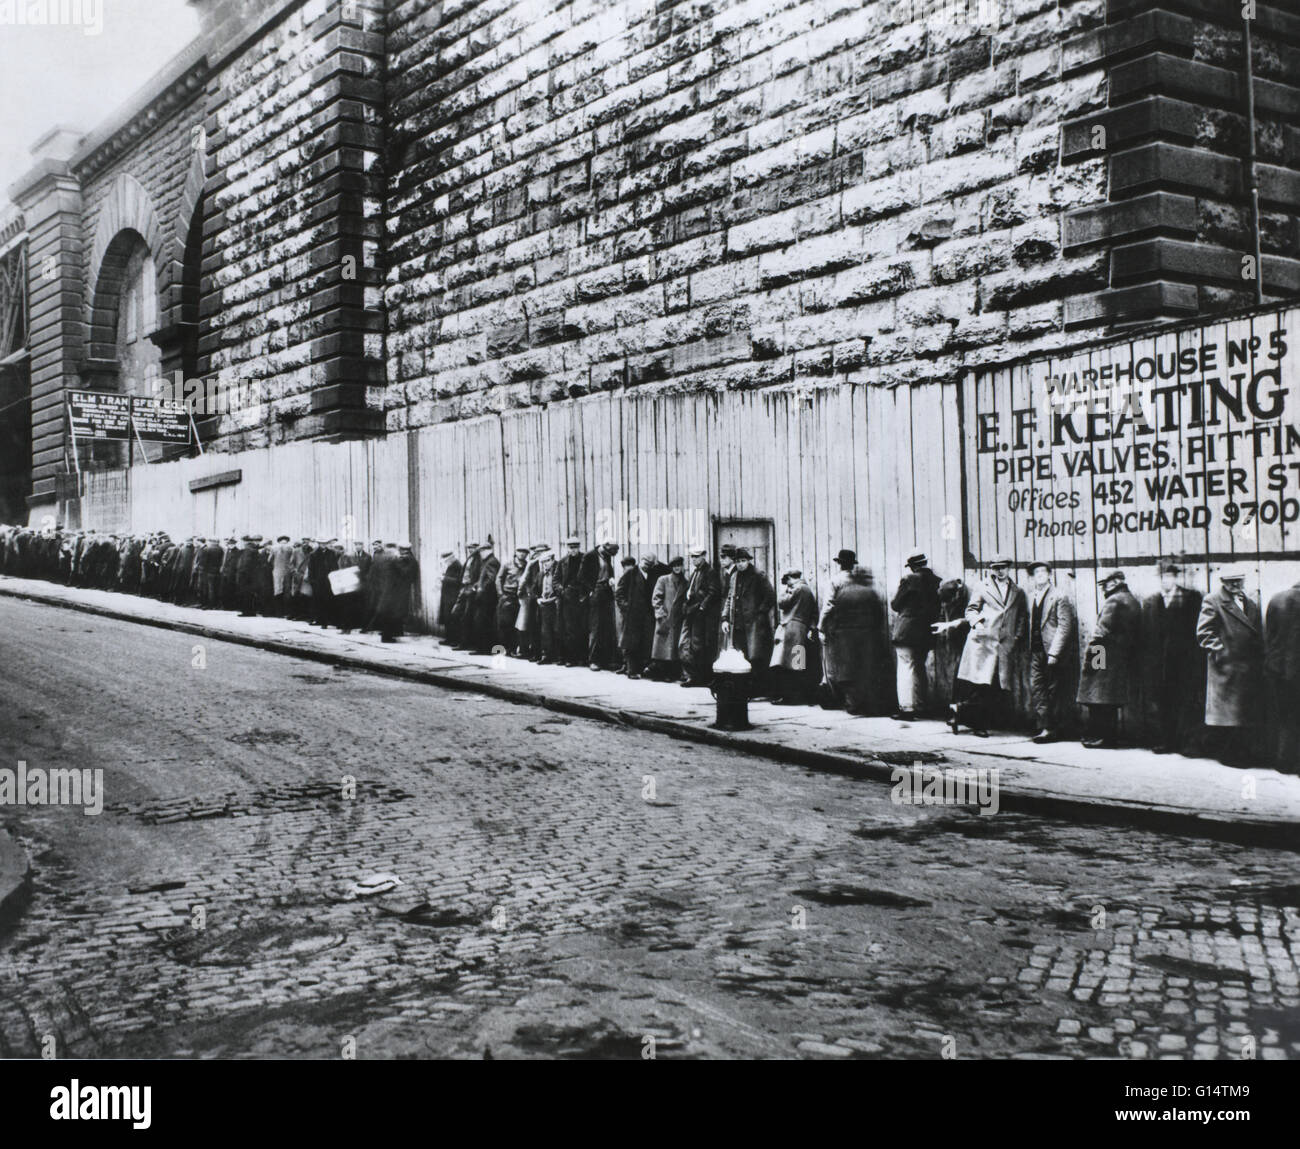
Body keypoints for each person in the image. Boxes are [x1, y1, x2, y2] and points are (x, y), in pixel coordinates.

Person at [953, 554, 1027, 737]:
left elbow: (1022, 617)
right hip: (983, 642)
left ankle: (960, 712)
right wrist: (977, 624)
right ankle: (977, 724)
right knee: (981, 684)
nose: (1000, 571)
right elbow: (971, 610)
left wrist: (1016, 636)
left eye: (1003, 567)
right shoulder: (982, 586)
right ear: (991, 569)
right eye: (996, 568)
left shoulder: (1017, 591)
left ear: (1009, 568)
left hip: (1003, 645)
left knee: (995, 686)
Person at [1197, 568, 1265, 767]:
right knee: (1229, 715)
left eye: (1239, 581)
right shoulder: (1213, 600)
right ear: (1223, 581)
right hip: (1227, 667)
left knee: (1243, 712)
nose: (1235, 585)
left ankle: (1240, 753)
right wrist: (1220, 652)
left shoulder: (1249, 601)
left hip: (1247, 665)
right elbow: (1204, 633)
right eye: (1231, 582)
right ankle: (1230, 755)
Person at [1142, 559, 1204, 755]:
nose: (1165, 581)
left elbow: (1196, 631)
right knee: (1162, 703)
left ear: (1176, 578)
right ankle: (1165, 741)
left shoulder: (1191, 598)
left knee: (1186, 701)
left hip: (1183, 662)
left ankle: (1186, 743)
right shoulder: (1151, 602)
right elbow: (1146, 634)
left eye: (1169, 576)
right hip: (1159, 664)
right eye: (1162, 577)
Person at [1076, 569, 1140, 749]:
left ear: (1116, 582)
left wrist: (1091, 659)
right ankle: (1108, 736)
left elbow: (1101, 633)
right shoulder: (1131, 600)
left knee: (1097, 695)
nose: (1104, 587)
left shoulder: (1114, 600)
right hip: (1120, 656)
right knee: (1109, 698)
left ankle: (1101, 737)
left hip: (1104, 653)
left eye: (1106, 583)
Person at [821, 565, 886, 715]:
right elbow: (878, 616)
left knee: (848, 671)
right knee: (867, 669)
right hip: (867, 636)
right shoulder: (870, 593)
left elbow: (835, 613)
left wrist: (831, 629)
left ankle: (853, 703)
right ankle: (869, 704)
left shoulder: (843, 593)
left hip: (845, 636)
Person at [1026, 560, 1076, 744]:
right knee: (1038, 688)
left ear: (1049, 575)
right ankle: (1043, 724)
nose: (1039, 575)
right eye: (1036, 573)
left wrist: (1055, 653)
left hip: (1053, 652)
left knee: (1054, 690)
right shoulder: (1032, 596)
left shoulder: (1059, 596)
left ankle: (1052, 728)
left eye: (1042, 572)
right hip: (1036, 650)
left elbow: (1065, 626)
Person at [890, 548, 941, 720]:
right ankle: (920, 705)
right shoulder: (936, 581)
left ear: (911, 566)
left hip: (907, 630)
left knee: (906, 668)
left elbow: (896, 604)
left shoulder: (909, 579)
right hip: (926, 631)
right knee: (919, 667)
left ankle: (907, 708)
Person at [727, 548, 776, 694]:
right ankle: (745, 688)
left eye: (743, 561)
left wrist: (760, 612)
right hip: (738, 624)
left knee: (757, 657)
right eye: (738, 561)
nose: (741, 564)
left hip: (755, 624)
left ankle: (760, 689)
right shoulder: (734, 576)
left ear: (748, 561)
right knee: (742, 656)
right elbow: (730, 598)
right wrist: (725, 618)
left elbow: (770, 596)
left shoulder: (758, 575)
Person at [1265, 578, 1300, 773]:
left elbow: (1269, 635)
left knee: (1285, 716)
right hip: (1297, 670)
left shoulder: (1277, 599)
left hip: (1277, 670)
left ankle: (1283, 761)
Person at [772, 569, 818, 704]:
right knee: (798, 663)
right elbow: (814, 613)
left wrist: (784, 590)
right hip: (802, 629)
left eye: (787, 580)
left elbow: (782, 603)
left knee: (786, 665)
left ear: (791, 578)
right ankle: (799, 696)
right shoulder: (808, 590)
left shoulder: (795, 589)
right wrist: (811, 628)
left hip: (790, 629)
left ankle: (790, 698)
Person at [680, 546, 720, 686]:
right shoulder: (695, 572)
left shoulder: (710, 572)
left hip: (702, 614)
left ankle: (702, 677)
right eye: (692, 556)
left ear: (704, 556)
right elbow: (690, 591)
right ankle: (694, 676)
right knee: (690, 645)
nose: (694, 559)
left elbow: (713, 591)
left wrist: (703, 607)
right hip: (692, 612)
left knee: (700, 646)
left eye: (697, 556)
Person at [580, 540, 619, 670]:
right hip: (595, 593)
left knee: (607, 626)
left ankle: (607, 660)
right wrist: (590, 590)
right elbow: (581, 576)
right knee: (595, 627)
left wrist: (611, 578)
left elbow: (609, 570)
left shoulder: (606, 556)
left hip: (606, 592)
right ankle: (593, 660)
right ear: (603, 547)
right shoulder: (589, 556)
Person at [646, 555, 685, 681]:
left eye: (679, 565)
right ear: (671, 567)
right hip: (664, 618)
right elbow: (656, 598)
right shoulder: (663, 580)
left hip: (677, 619)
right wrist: (660, 614)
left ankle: (671, 673)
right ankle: (659, 673)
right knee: (661, 648)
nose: (677, 568)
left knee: (673, 648)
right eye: (675, 566)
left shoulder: (685, 582)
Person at [615, 554, 652, 678]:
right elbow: (619, 592)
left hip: (644, 615)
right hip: (632, 614)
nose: (646, 566)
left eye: (649, 564)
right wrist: (627, 608)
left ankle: (639, 669)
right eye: (645, 563)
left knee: (642, 642)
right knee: (631, 644)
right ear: (641, 561)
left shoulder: (649, 575)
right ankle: (631, 671)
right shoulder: (631, 573)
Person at [556, 536, 586, 666]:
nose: (573, 550)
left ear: (579, 547)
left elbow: (591, 576)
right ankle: (570, 658)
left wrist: (586, 593)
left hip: (582, 597)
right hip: (567, 599)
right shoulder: (562, 562)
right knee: (569, 629)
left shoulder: (585, 559)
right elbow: (556, 579)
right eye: (571, 547)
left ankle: (583, 658)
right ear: (567, 548)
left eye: (575, 547)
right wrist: (561, 591)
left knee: (583, 627)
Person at [496, 546, 529, 655]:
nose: (522, 554)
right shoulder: (507, 564)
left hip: (520, 597)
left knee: (518, 624)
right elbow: (499, 578)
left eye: (524, 552)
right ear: (515, 552)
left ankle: (514, 649)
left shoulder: (527, 565)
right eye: (519, 551)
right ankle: (506, 648)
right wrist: (501, 594)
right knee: (505, 623)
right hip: (507, 596)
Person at [449, 542, 481, 649]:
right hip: (463, 588)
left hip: (470, 589)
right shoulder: (469, 559)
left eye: (473, 548)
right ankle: (458, 640)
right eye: (469, 548)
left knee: (467, 617)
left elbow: (480, 576)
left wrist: (473, 587)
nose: (471, 550)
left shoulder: (479, 560)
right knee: (456, 613)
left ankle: (465, 643)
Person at [471, 540, 500, 654]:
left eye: (482, 550)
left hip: (487, 598)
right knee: (482, 622)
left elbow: (491, 579)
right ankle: (483, 647)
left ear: (488, 550)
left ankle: (484, 648)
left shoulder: (491, 562)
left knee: (484, 622)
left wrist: (481, 589)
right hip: (484, 597)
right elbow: (483, 578)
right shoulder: (487, 561)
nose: (480, 553)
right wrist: (477, 585)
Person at [535, 547, 561, 664]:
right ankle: (546, 655)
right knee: (545, 631)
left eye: (547, 561)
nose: (545, 564)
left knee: (557, 630)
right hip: (544, 605)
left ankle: (559, 656)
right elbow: (534, 589)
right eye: (543, 562)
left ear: (553, 560)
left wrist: (557, 598)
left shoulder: (558, 571)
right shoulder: (540, 575)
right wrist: (538, 599)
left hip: (555, 603)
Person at [438, 550, 462, 636]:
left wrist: (444, 578)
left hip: (452, 596)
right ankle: (449, 638)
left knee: (452, 618)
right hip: (447, 595)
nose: (445, 562)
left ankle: (453, 639)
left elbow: (458, 581)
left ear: (450, 558)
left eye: (446, 560)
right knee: (447, 617)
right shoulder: (451, 565)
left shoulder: (457, 566)